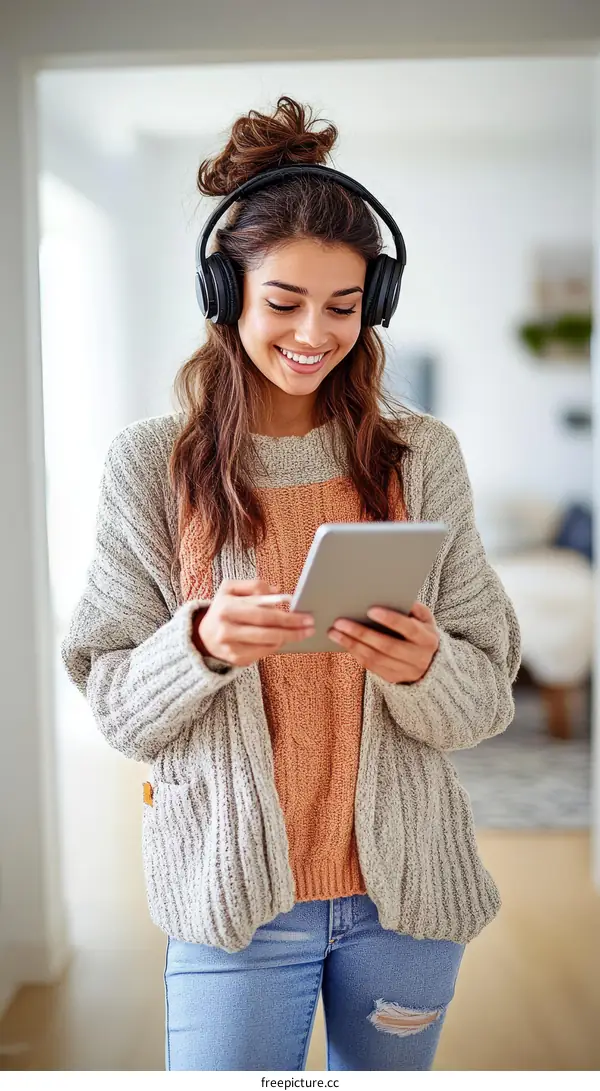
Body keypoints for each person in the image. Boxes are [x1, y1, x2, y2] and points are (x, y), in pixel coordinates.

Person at [61, 96, 521, 1072]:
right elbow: (114, 703)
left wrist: (425, 666)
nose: (316, 332)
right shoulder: (151, 465)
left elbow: (482, 695)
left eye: (345, 306)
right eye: (284, 301)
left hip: (405, 898)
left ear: (375, 305)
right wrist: (198, 647)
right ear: (225, 292)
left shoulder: (420, 455)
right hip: (236, 901)